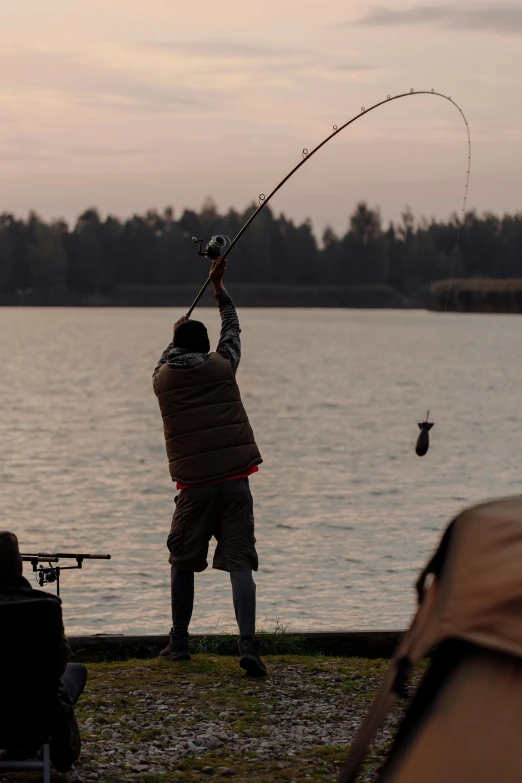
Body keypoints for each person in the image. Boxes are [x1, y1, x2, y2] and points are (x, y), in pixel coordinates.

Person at [153, 257, 266, 676]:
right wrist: (219, 289)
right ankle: (249, 645)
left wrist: (174, 334)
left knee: (183, 561)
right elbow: (233, 330)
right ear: (207, 348)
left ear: (177, 348)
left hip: (193, 488)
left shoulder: (162, 379)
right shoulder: (224, 367)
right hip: (235, 484)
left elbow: (164, 359)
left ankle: (179, 642)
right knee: (240, 564)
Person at [0, 531, 88, 772]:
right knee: (75, 671)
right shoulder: (46, 605)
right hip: (37, 717)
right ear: (18, 564)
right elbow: (57, 667)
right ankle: (45, 746)